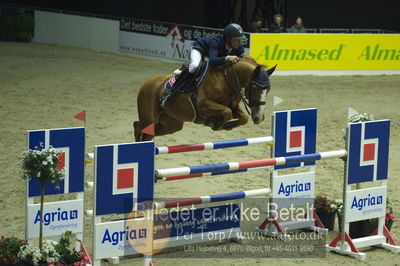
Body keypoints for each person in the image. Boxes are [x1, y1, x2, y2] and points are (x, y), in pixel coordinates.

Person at [160, 23, 246, 107]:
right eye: (237, 39)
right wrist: (226, 58)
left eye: (240, 39)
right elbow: (212, 61)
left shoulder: (239, 46)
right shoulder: (215, 42)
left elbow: (242, 60)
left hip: (212, 54)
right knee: (195, 66)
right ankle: (172, 88)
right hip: (199, 49)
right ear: (228, 38)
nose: (239, 42)